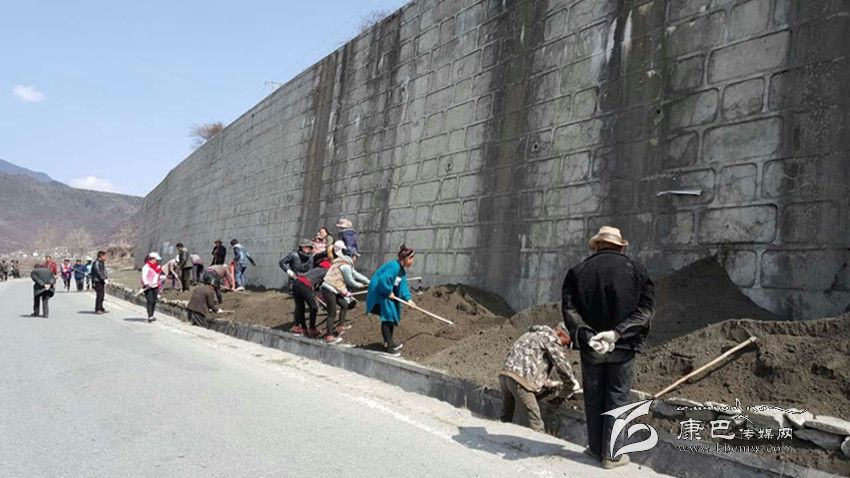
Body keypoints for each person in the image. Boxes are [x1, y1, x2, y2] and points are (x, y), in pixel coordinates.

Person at [562, 226, 654, 469]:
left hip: (592, 347)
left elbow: (570, 310)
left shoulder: (577, 271)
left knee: (593, 396)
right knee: (617, 397)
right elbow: (644, 312)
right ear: (620, 247)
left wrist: (588, 335)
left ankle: (595, 449)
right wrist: (617, 333)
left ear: (597, 246)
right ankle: (612, 456)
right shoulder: (638, 271)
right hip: (622, 346)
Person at [499, 324, 579, 433]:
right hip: (520, 381)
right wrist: (571, 385)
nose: (565, 347)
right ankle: (539, 443)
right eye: (567, 343)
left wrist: (548, 383)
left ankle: (499, 439)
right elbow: (562, 365)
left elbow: (529, 363)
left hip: (505, 376)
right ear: (561, 333)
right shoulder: (551, 338)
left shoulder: (529, 335)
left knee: (506, 417)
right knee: (536, 425)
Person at [366, 245, 416, 356]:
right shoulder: (394, 267)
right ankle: (388, 346)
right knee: (388, 315)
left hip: (385, 292)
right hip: (378, 292)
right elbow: (383, 280)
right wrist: (388, 291)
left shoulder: (401, 271)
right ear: (405, 258)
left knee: (392, 314)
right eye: (411, 258)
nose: (413, 261)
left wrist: (408, 299)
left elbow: (403, 285)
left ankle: (390, 342)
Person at [320, 240, 369, 343]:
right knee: (332, 312)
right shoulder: (345, 265)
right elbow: (350, 281)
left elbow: (355, 274)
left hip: (334, 289)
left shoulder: (343, 262)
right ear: (352, 256)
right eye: (355, 256)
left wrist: (368, 281)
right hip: (329, 289)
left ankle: (340, 327)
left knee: (344, 304)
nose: (356, 258)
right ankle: (329, 336)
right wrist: (359, 285)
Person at [289, 256, 331, 337]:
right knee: (314, 307)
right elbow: (323, 287)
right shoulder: (327, 271)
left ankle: (302, 328)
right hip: (304, 285)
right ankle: (312, 329)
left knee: (300, 307)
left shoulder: (317, 269)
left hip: (296, 283)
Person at [141, 252, 163, 323]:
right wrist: (146, 284)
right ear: (152, 259)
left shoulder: (158, 266)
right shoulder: (146, 267)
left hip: (155, 286)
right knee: (150, 301)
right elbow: (144, 276)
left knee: (154, 301)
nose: (157, 261)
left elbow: (158, 276)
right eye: (156, 259)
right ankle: (150, 316)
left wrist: (161, 279)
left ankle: (152, 315)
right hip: (148, 287)